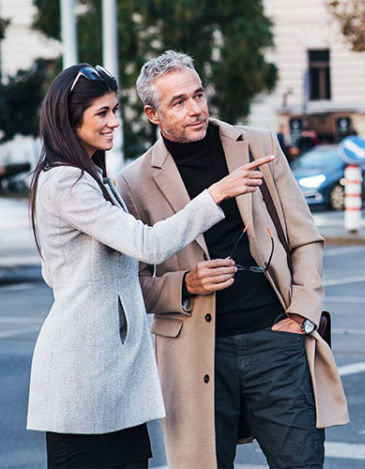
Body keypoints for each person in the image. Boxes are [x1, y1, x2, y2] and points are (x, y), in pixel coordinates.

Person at [25, 63, 272, 468]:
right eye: (102, 113)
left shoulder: (91, 177)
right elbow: (148, 244)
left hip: (112, 369)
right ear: (71, 119)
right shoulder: (65, 183)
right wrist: (216, 194)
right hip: (83, 373)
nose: (114, 123)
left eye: (114, 110)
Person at [116, 51, 349, 469]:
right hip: (192, 355)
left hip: (276, 339)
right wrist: (185, 284)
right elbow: (130, 284)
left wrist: (300, 316)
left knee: (301, 463)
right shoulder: (133, 182)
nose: (196, 109)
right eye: (180, 102)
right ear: (153, 114)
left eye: (199, 95)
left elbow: (306, 238)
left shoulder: (258, 144)